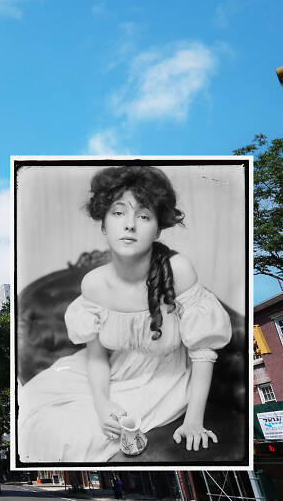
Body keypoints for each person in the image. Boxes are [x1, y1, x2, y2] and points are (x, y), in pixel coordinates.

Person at [17, 166, 232, 462]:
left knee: (74, 435)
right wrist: (102, 402)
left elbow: (202, 349)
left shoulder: (178, 270)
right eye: (118, 213)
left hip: (160, 378)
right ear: (104, 224)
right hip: (105, 371)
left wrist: (194, 420)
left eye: (143, 216)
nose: (129, 225)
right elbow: (96, 356)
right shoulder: (93, 283)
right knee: (28, 401)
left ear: (157, 228)